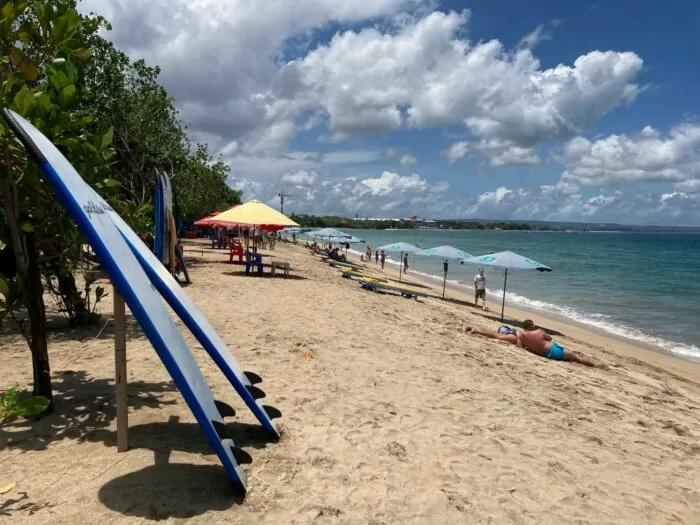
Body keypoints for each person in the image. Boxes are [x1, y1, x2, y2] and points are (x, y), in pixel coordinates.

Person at [467, 320, 597, 367]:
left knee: (496, 335)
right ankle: (594, 364)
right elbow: (549, 338)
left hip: (546, 354)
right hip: (553, 350)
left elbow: (519, 346)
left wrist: (529, 347)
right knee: (576, 358)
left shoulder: (521, 335)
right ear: (532, 326)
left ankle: (477, 329)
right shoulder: (538, 331)